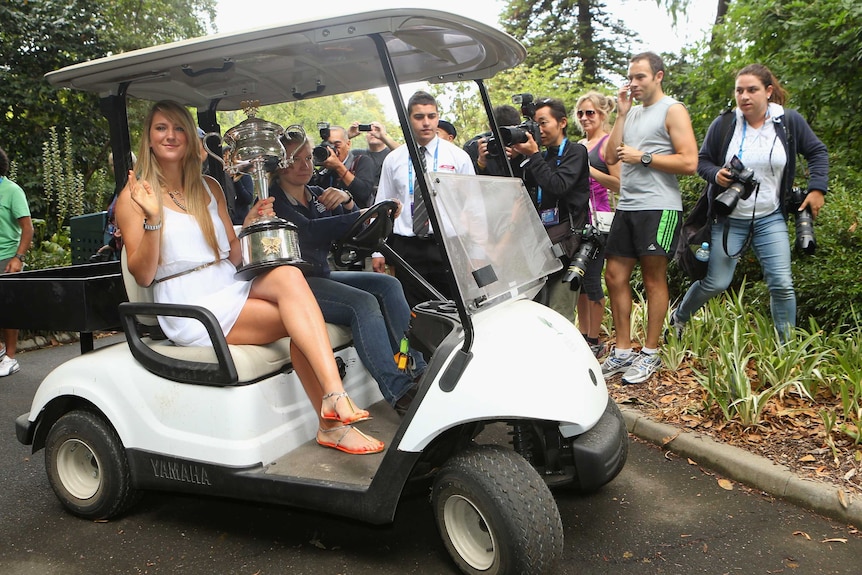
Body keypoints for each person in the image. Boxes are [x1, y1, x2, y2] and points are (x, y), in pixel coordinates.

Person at [115, 100, 383, 455]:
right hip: (190, 302)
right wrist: (152, 219)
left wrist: (253, 224)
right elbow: (144, 274)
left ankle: (334, 398)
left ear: (189, 138)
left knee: (288, 273)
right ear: (148, 139)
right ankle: (332, 422)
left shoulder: (208, 187)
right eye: (161, 128)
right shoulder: (135, 197)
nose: (171, 136)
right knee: (298, 320)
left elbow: (234, 254)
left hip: (227, 281)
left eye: (179, 128)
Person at [671, 64, 828, 343]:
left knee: (782, 284)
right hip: (729, 218)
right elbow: (703, 161)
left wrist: (818, 189)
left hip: (770, 217)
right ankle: (680, 316)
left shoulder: (788, 122)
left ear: (768, 92)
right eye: (739, 90)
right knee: (716, 282)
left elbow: (817, 151)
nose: (744, 96)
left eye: (752, 90)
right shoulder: (724, 124)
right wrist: (716, 175)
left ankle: (786, 350)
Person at [270, 136, 427, 416]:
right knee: (362, 303)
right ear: (280, 164)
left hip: (322, 274)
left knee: (388, 284)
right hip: (295, 285)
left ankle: (417, 369)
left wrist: (348, 200)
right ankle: (399, 390)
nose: (305, 165)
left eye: (308, 158)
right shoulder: (275, 202)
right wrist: (360, 212)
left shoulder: (317, 192)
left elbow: (352, 223)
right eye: (296, 159)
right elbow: (308, 232)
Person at [601, 51, 698, 385]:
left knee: (654, 278)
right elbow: (609, 155)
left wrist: (644, 157)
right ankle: (623, 350)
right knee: (614, 275)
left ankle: (651, 353)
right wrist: (621, 115)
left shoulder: (673, 109)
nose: (633, 83)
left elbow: (689, 162)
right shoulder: (632, 113)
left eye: (640, 76)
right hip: (627, 206)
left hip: (660, 206)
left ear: (658, 76)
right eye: (630, 77)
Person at [371, 91, 475, 307]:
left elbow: (473, 207)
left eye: (431, 116)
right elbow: (382, 205)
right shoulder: (394, 159)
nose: (426, 123)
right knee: (414, 312)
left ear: (438, 117)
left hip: (447, 245)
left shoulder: (458, 157)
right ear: (408, 119)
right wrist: (375, 251)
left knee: (455, 309)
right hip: (407, 247)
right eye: (419, 117)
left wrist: (475, 251)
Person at [509, 97, 591, 323]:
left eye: (543, 123)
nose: (539, 130)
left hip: (567, 245)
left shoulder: (576, 152)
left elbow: (558, 185)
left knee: (558, 315)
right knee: (535, 313)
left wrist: (534, 156)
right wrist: (515, 159)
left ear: (562, 122)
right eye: (535, 124)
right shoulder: (541, 156)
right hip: (538, 246)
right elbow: (516, 189)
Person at [575, 91, 620, 357]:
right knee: (579, 279)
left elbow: (619, 183)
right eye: (580, 113)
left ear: (603, 114)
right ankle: (583, 335)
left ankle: (595, 338)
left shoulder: (606, 144)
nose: (584, 118)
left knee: (592, 277)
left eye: (590, 112)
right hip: (579, 220)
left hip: (600, 220)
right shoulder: (580, 143)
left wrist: (588, 168)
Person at [0, 146, 34, 377]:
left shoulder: (12, 191)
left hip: (6, 256)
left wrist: (18, 258)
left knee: (7, 310)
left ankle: (11, 357)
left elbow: (27, 228)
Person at [316, 125, 376, 208]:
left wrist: (338, 167)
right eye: (328, 146)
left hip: (358, 217)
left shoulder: (362, 161)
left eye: (336, 145)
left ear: (348, 144)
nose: (332, 150)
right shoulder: (325, 168)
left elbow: (364, 193)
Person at [465, 105, 522, 176]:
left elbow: (532, 180)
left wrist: (518, 157)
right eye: (502, 134)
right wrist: (480, 164)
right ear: (492, 128)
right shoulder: (474, 146)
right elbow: (468, 180)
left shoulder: (524, 143)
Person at [348, 121, 400, 193]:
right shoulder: (357, 154)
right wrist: (348, 135)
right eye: (369, 130)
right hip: (362, 198)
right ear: (366, 136)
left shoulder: (392, 154)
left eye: (377, 130)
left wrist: (383, 137)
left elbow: (408, 154)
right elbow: (336, 156)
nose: (373, 133)